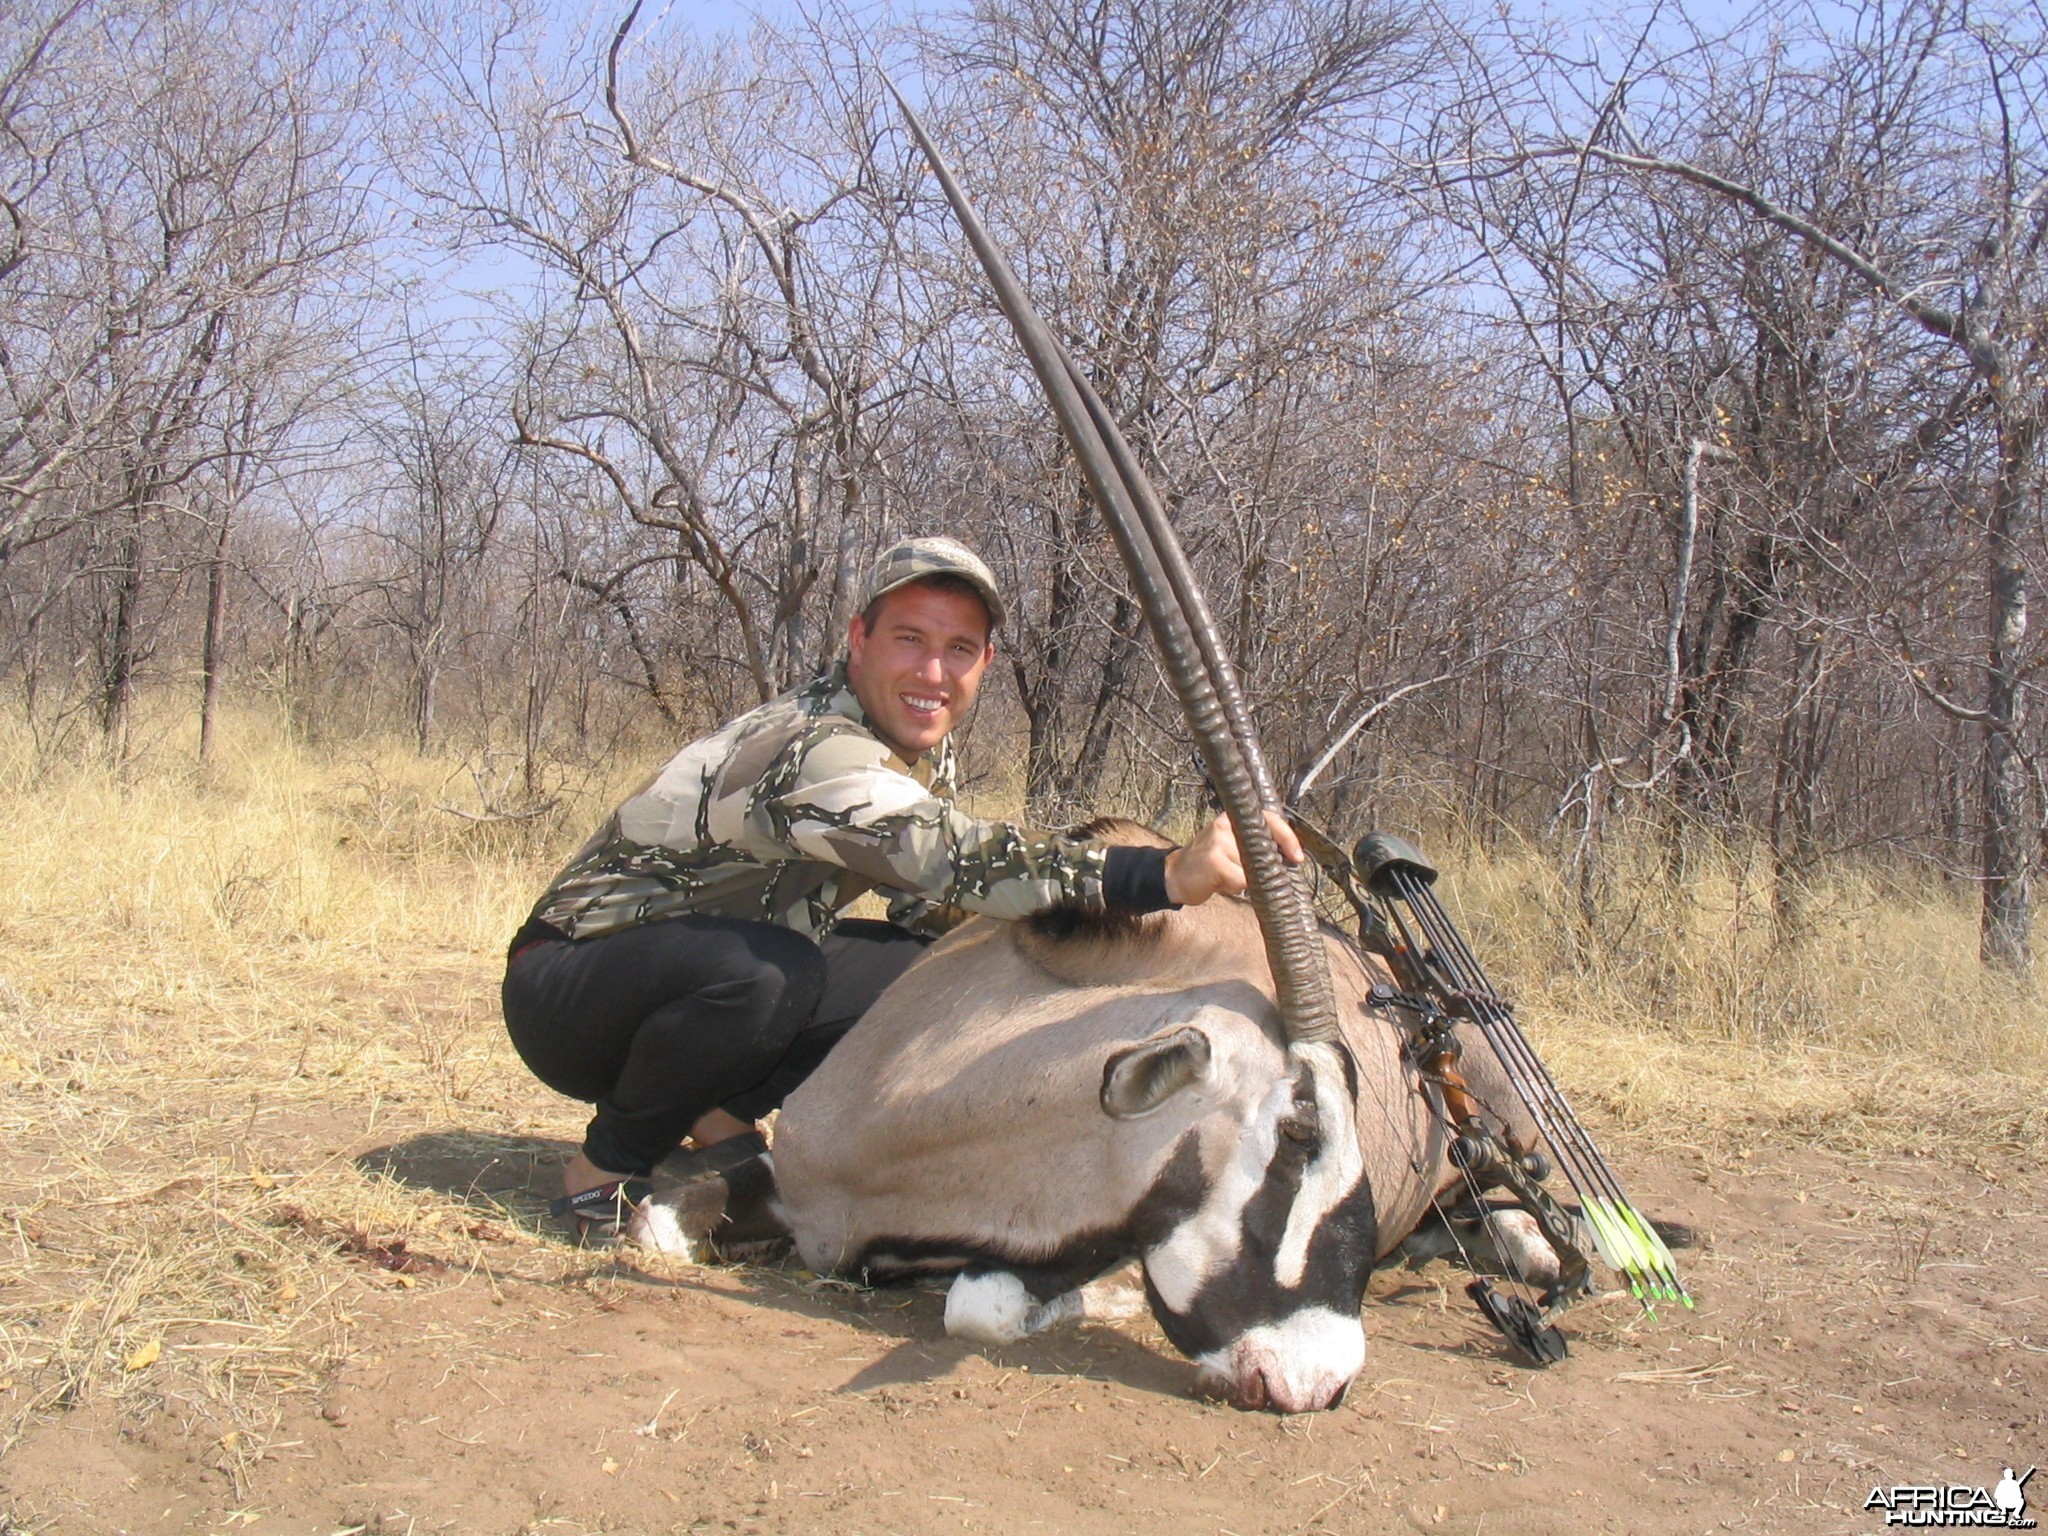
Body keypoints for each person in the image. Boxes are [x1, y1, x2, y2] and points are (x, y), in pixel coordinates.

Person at [501, 535, 1302, 1241]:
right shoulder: (814, 749)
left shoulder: (917, 747)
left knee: (916, 974)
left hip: (689, 982)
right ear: (858, 640)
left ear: (986, 662)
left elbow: (936, 909)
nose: (933, 671)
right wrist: (1161, 876)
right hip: (568, 989)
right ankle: (603, 1171)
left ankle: (706, 1109)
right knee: (773, 973)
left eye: (959, 648)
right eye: (909, 639)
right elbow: (947, 857)